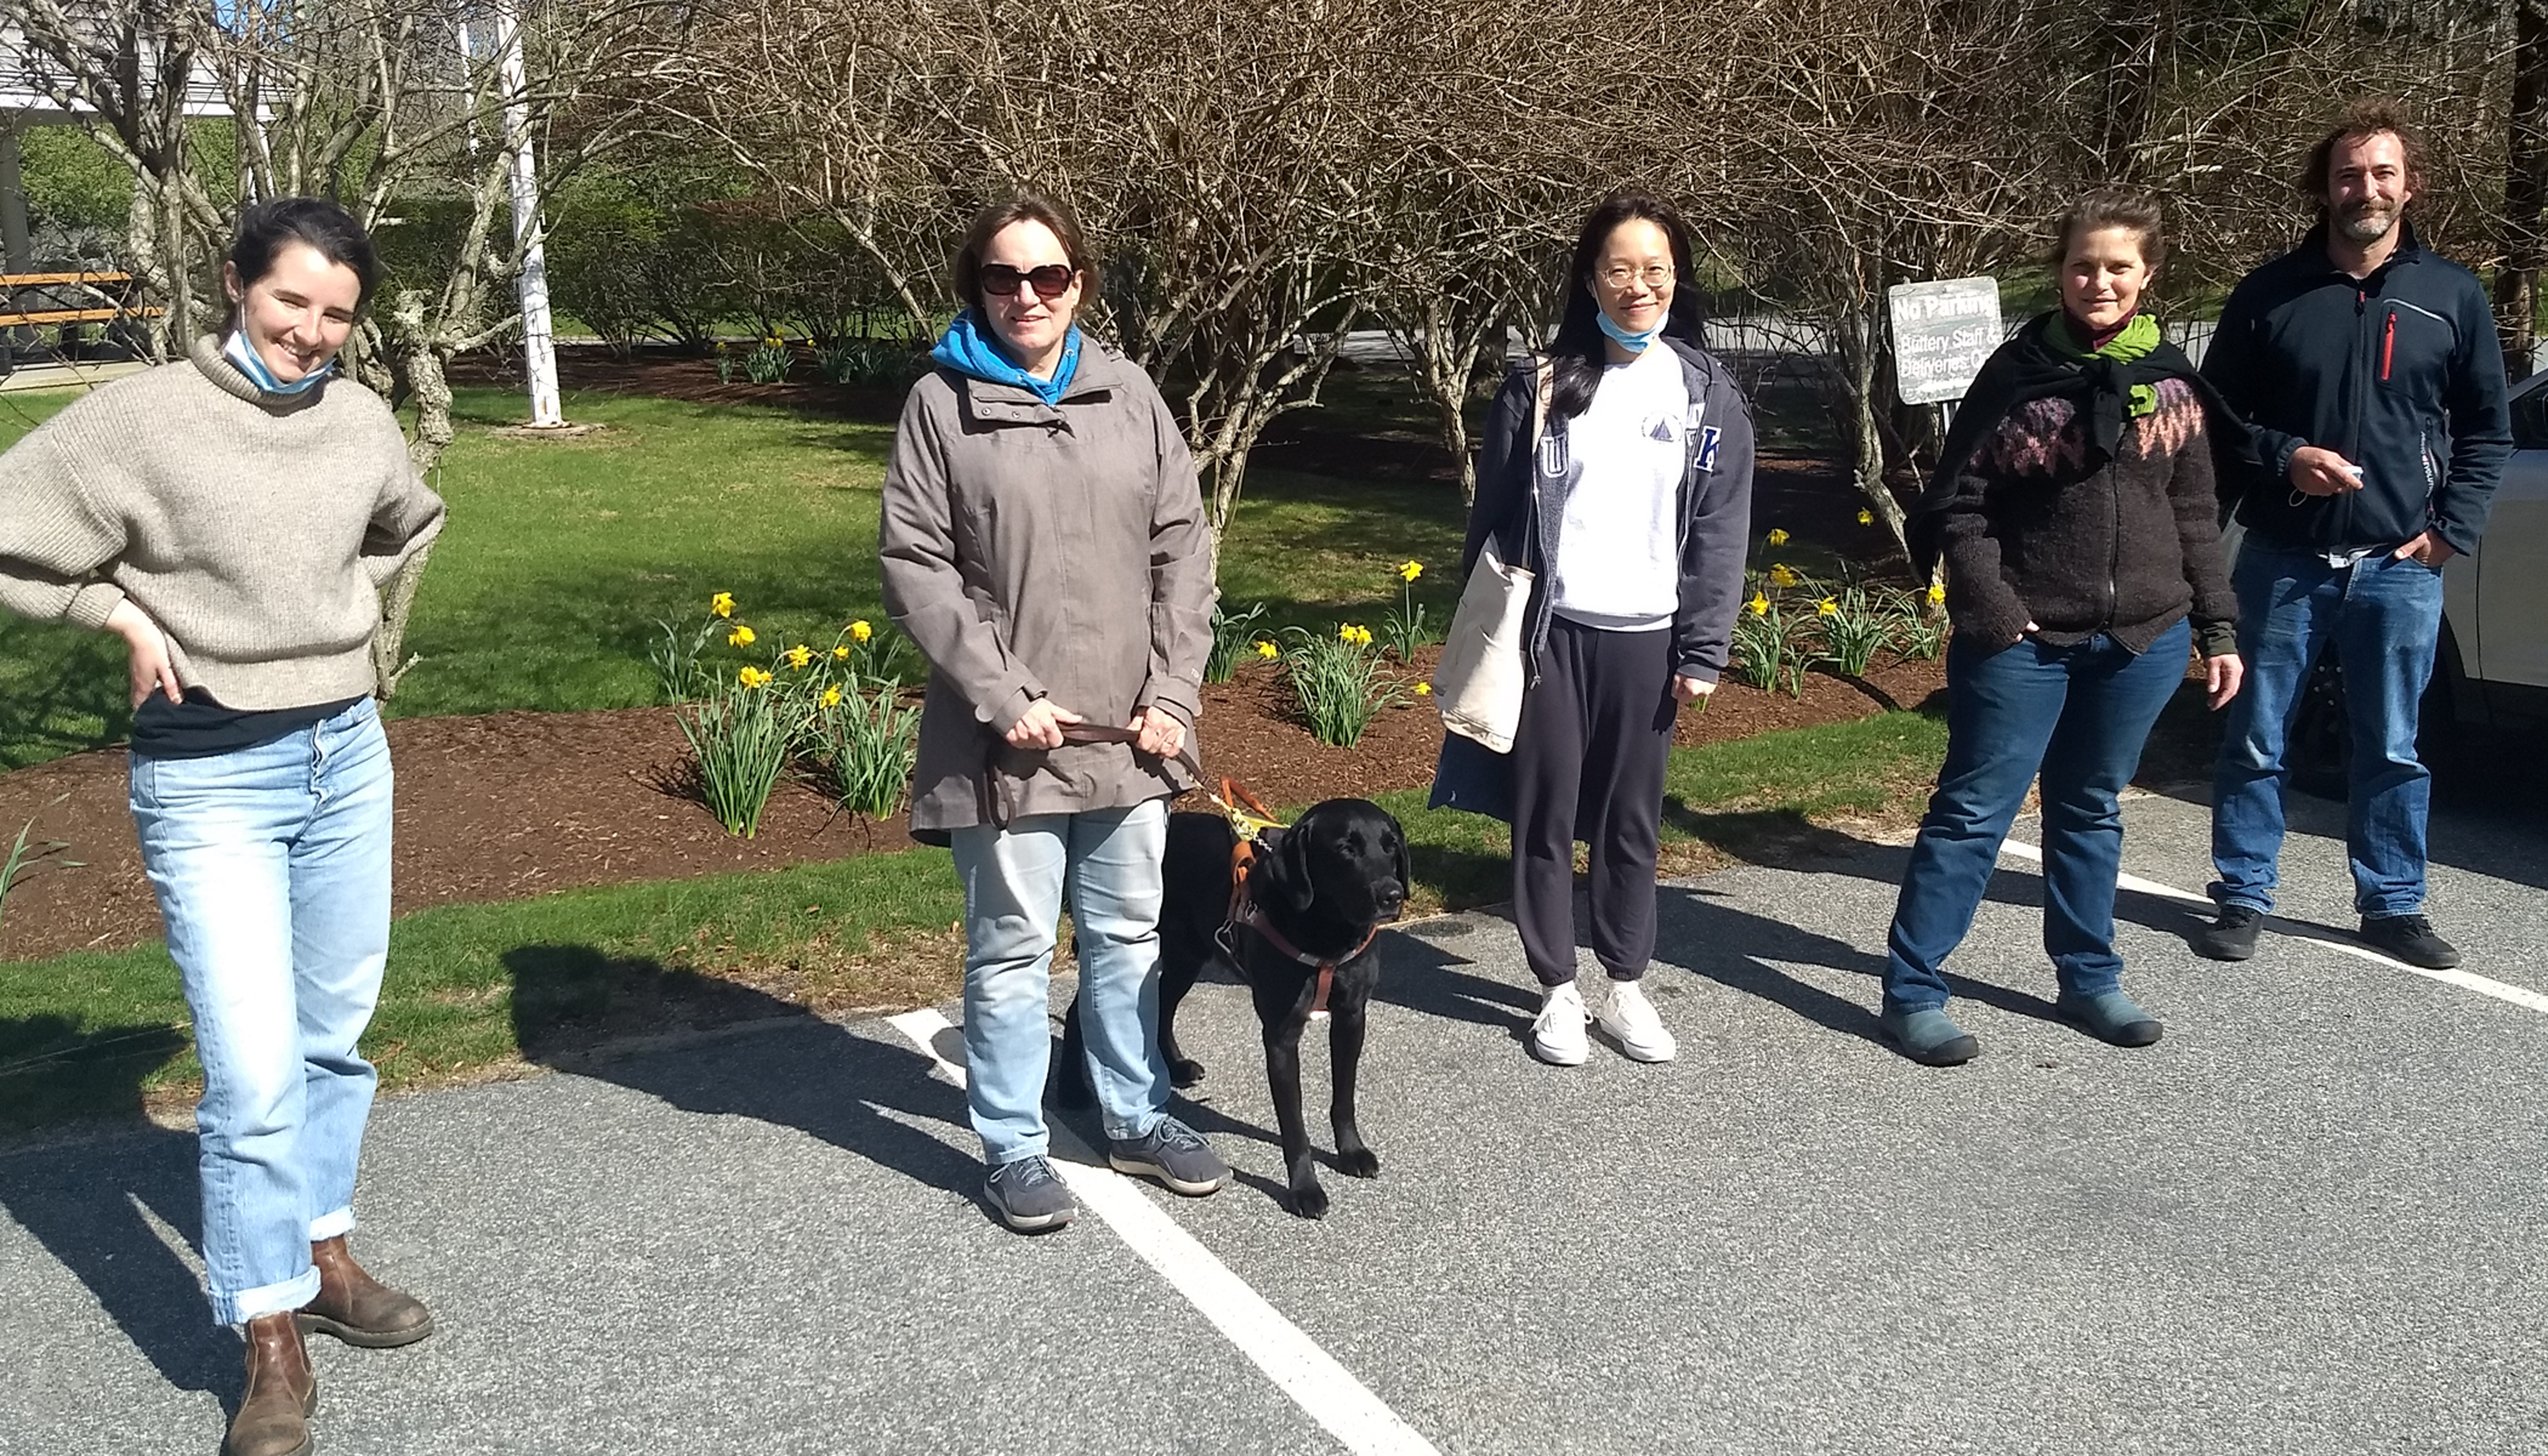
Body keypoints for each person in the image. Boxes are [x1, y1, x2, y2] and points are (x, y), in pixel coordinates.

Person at [0, 198, 444, 1456]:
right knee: (252, 1077)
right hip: (211, 778)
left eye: (337, 315)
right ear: (238, 281)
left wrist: (343, 602)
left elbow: (406, 519)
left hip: (345, 756)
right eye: (291, 299)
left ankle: (325, 1253)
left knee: (332, 1038)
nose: (311, 331)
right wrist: (120, 617)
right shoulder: (142, 420)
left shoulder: (358, 417)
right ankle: (269, 1336)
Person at [879, 193, 1227, 1232]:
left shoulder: (1131, 394)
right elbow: (918, 568)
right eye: (1002, 277)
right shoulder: (941, 404)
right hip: (1009, 742)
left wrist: (1172, 694)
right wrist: (1005, 694)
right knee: (1014, 948)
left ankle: (1135, 1111)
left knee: (1127, 934)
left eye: (1048, 276)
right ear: (975, 288)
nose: (1026, 294)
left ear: (1081, 283)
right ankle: (1014, 1144)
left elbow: (1183, 553)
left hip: (1132, 734)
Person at [1884, 186, 2245, 1067]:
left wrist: (2218, 627)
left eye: (2119, 265)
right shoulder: (2017, 376)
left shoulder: (2171, 380)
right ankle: (1914, 990)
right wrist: (1997, 612)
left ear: (2147, 274)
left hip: (2141, 642)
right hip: (2024, 639)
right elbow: (1959, 506)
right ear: (2061, 270)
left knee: (2090, 808)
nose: (2100, 280)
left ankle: (2089, 977)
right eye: (2084, 264)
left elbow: (2196, 513)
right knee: (1974, 811)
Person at [1431, 192, 1755, 1067]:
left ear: (1677, 278)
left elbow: (1722, 531)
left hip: (1647, 646)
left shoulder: (1707, 396)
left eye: (1655, 269)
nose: (1638, 285)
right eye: (1620, 268)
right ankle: (1556, 990)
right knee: (1544, 816)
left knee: (1629, 823)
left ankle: (1625, 983)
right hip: (1550, 639)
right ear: (1590, 278)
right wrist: (1482, 631)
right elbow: (1492, 522)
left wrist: (1704, 647)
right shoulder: (1539, 386)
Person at [2194, 100, 2511, 971]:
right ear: (2321, 188)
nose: (2363, 188)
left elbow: (2488, 429)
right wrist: (2285, 454)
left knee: (2394, 743)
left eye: (2381, 172)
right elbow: (2217, 420)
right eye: (2347, 173)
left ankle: (2393, 902)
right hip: (2283, 560)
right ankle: (2244, 893)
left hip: (2399, 566)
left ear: (2410, 185)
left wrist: (2452, 531)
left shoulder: (2452, 295)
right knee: (2257, 733)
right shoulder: (2269, 294)